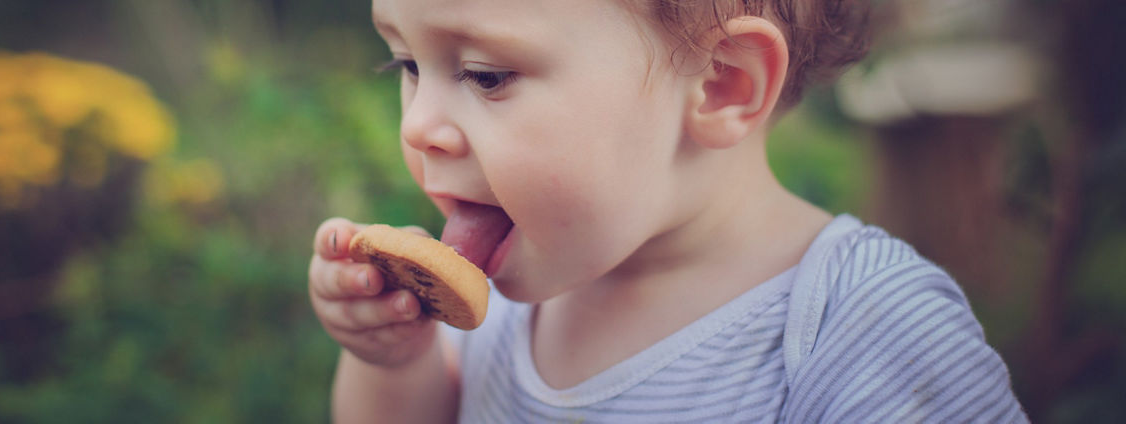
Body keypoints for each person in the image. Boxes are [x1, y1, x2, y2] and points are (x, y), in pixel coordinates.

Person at [308, 0, 1027, 422]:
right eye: (406, 64)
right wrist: (394, 365)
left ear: (721, 84)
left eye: (486, 75)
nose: (417, 124)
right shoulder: (495, 304)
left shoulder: (859, 329)